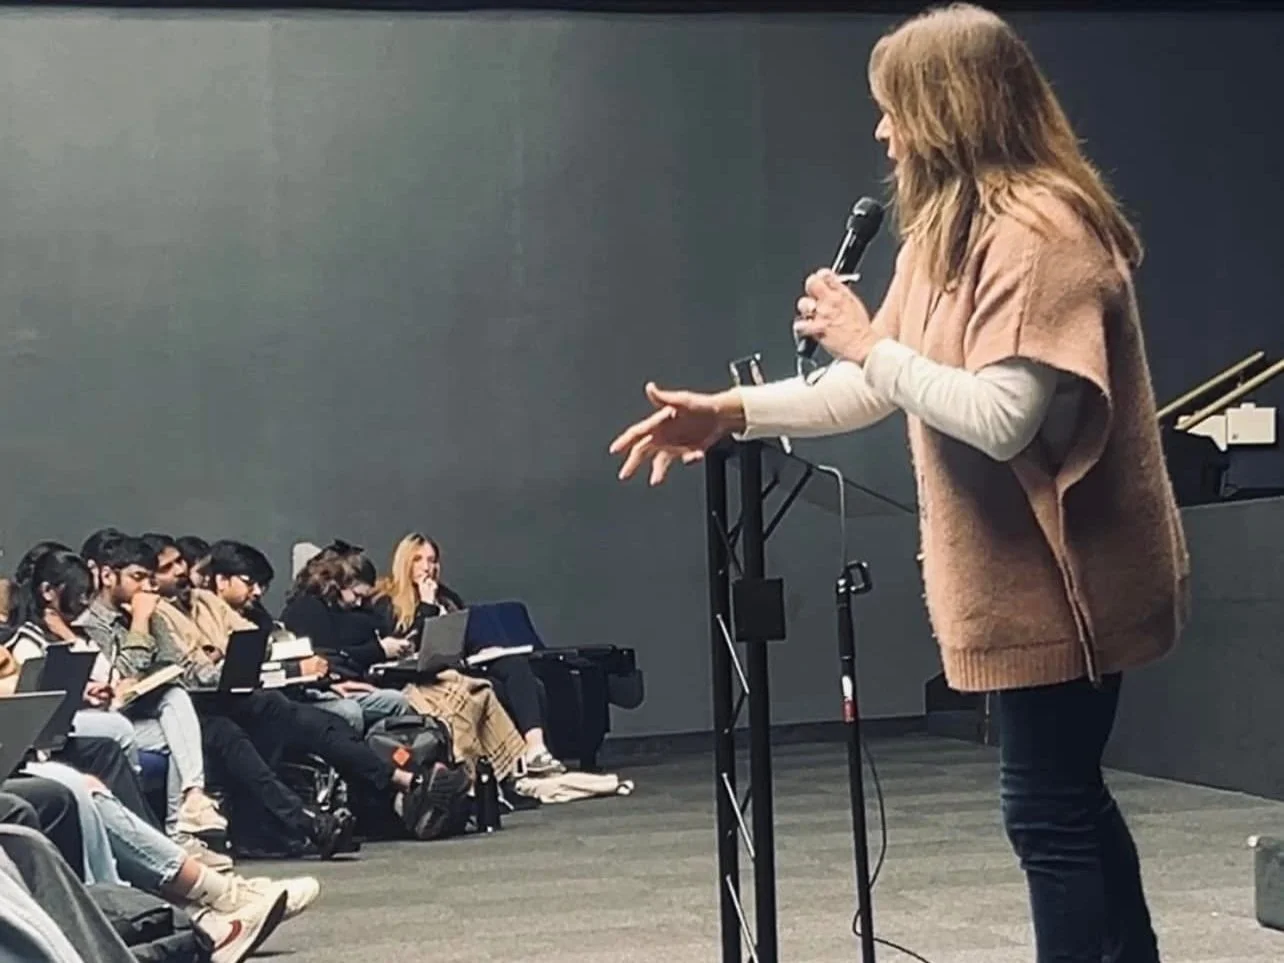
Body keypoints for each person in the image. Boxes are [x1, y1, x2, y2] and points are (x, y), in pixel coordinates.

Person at [609, 6, 1187, 963]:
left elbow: (1004, 418)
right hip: (1025, 586)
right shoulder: (950, 230)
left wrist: (868, 340)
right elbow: (864, 387)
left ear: (948, 107)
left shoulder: (1042, 232)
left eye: (893, 110)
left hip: (1073, 586)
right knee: (1066, 800)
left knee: (1046, 814)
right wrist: (732, 411)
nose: (881, 132)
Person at [372, 533, 564, 775]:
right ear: (404, 563)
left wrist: (484, 649)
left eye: (432, 560)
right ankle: (502, 766)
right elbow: (411, 644)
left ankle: (535, 749)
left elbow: (463, 636)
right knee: (493, 690)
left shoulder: (448, 598)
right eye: (418, 560)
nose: (426, 568)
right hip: (422, 676)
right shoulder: (387, 602)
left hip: (457, 665)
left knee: (515, 667)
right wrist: (427, 605)